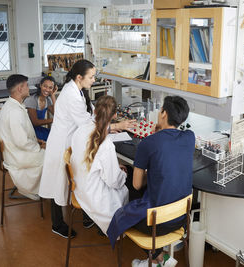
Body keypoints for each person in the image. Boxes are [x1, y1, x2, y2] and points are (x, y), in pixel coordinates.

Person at [39, 60, 135, 238]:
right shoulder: (70, 95)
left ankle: (87, 217)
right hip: (62, 143)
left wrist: (109, 123)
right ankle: (57, 224)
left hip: (73, 140)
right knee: (57, 184)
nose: (93, 80)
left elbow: (91, 116)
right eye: (91, 77)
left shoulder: (77, 89)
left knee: (76, 179)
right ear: (79, 77)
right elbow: (88, 124)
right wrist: (115, 126)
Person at [107, 96, 195, 267]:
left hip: (157, 223)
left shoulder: (148, 143)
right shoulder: (189, 137)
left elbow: (137, 184)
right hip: (182, 219)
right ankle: (160, 257)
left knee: (120, 213)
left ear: (163, 113)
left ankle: (155, 259)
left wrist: (151, 171)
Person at [70, 96, 129, 235]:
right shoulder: (105, 144)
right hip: (96, 198)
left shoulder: (81, 129)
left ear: (94, 111)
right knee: (128, 186)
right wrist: (123, 173)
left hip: (80, 188)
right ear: (115, 115)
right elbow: (114, 181)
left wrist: (113, 167)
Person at [0, 74, 46, 200]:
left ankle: (37, 187)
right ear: (20, 89)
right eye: (26, 86)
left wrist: (36, 141)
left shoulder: (12, 105)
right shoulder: (14, 111)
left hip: (15, 150)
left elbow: (21, 136)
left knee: (48, 152)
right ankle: (33, 189)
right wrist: (38, 146)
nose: (28, 88)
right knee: (52, 158)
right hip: (17, 155)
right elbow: (21, 142)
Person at [24, 76, 58, 141]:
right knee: (54, 139)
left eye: (50, 88)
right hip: (29, 132)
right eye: (45, 86)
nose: (47, 90)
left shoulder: (48, 100)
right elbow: (35, 122)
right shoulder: (32, 100)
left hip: (39, 129)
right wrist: (53, 120)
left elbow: (57, 114)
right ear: (40, 85)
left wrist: (53, 95)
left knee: (57, 136)